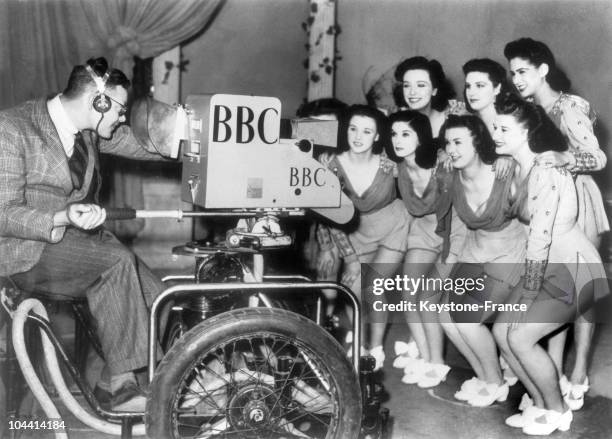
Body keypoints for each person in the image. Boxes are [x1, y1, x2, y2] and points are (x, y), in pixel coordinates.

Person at [0, 58, 172, 412]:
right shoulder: (13, 128)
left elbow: (139, 143)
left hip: (79, 245)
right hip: (27, 249)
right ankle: (120, 390)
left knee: (157, 298)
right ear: (100, 101)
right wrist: (61, 216)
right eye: (120, 109)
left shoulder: (89, 129)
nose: (122, 118)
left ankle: (138, 379)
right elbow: (3, 213)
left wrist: (185, 136)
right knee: (117, 262)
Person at [491, 95, 608, 435]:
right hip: (550, 266)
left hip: (574, 268)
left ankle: (557, 411)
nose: (495, 133)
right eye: (494, 126)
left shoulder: (545, 169)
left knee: (522, 337)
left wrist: (527, 291)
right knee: (502, 331)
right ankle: (541, 401)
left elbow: (540, 238)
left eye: (503, 128)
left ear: (527, 132)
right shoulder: (517, 166)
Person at [436, 115, 526, 406]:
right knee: (445, 317)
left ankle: (495, 383)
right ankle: (486, 375)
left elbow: (533, 217)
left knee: (467, 319)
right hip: (474, 253)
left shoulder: (503, 173)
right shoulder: (451, 175)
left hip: (509, 255)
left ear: (478, 144)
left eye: (459, 142)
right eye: (448, 142)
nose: (451, 148)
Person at [317, 104, 410, 371]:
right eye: (353, 128)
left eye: (367, 131)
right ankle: (357, 343)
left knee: (374, 287)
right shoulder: (329, 165)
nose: (358, 136)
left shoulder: (389, 165)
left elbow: (423, 164)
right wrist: (350, 258)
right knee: (353, 288)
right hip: (353, 233)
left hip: (393, 227)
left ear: (378, 136)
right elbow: (328, 215)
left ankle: (376, 349)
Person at [386, 110, 451, 388]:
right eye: (393, 134)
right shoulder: (397, 166)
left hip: (453, 233)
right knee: (407, 294)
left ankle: (438, 363)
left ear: (421, 136)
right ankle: (427, 359)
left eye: (405, 134)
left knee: (428, 298)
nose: (398, 140)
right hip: (424, 232)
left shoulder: (443, 163)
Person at [393, 56, 466, 137]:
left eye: (420, 85)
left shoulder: (450, 121)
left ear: (434, 90)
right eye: (406, 85)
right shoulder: (396, 123)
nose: (412, 92)